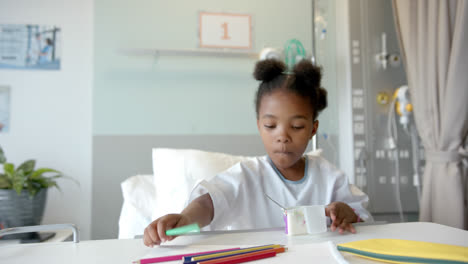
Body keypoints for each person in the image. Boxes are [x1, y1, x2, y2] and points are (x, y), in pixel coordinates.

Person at [143, 59, 372, 247]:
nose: (282, 136)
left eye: (297, 127)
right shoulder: (247, 175)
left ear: (313, 129)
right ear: (259, 126)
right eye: (271, 126)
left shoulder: (330, 177)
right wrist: (186, 218)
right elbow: (209, 202)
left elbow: (362, 216)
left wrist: (347, 213)